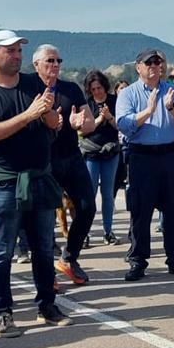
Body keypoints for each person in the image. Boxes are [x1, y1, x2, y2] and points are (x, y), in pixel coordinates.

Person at [0, 30, 73, 338]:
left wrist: (51, 119)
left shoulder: (32, 83)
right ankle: (2, 312)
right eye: (10, 51)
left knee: (43, 247)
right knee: (1, 250)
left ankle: (47, 305)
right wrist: (29, 115)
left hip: (39, 176)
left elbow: (51, 121)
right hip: (5, 181)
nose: (16, 55)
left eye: (18, 50)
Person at [116, 48, 174, 281]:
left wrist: (172, 108)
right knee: (141, 211)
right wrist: (148, 111)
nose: (154, 66)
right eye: (149, 62)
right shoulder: (128, 94)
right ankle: (138, 261)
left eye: (157, 62)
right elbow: (123, 124)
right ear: (138, 67)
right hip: (141, 157)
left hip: (169, 156)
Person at [31, 44, 96, 287]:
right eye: (50, 60)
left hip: (72, 156)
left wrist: (81, 123)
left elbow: (88, 122)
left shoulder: (71, 89)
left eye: (59, 60)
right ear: (36, 64)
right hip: (43, 160)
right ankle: (47, 269)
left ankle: (69, 257)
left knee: (87, 207)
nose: (56, 64)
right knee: (45, 216)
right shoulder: (29, 87)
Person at [80, 70, 120, 245]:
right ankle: (85, 232)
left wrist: (109, 117)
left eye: (99, 87)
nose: (97, 91)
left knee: (108, 194)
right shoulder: (86, 104)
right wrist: (98, 119)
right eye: (93, 89)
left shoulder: (114, 101)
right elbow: (82, 130)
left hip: (110, 152)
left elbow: (120, 126)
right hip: (90, 153)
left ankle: (108, 231)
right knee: (90, 194)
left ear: (105, 86)